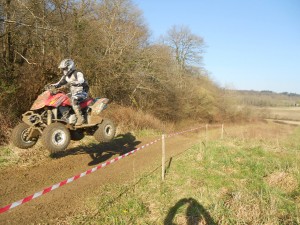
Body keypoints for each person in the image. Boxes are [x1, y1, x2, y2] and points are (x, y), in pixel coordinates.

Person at [52, 59, 89, 126]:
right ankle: (65, 116)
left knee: (74, 99)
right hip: (73, 93)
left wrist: (75, 82)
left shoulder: (77, 73)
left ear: (69, 67)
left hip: (82, 92)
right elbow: (59, 83)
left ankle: (80, 118)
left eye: (64, 68)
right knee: (61, 99)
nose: (63, 70)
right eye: (63, 69)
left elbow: (81, 80)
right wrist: (52, 85)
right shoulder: (66, 77)